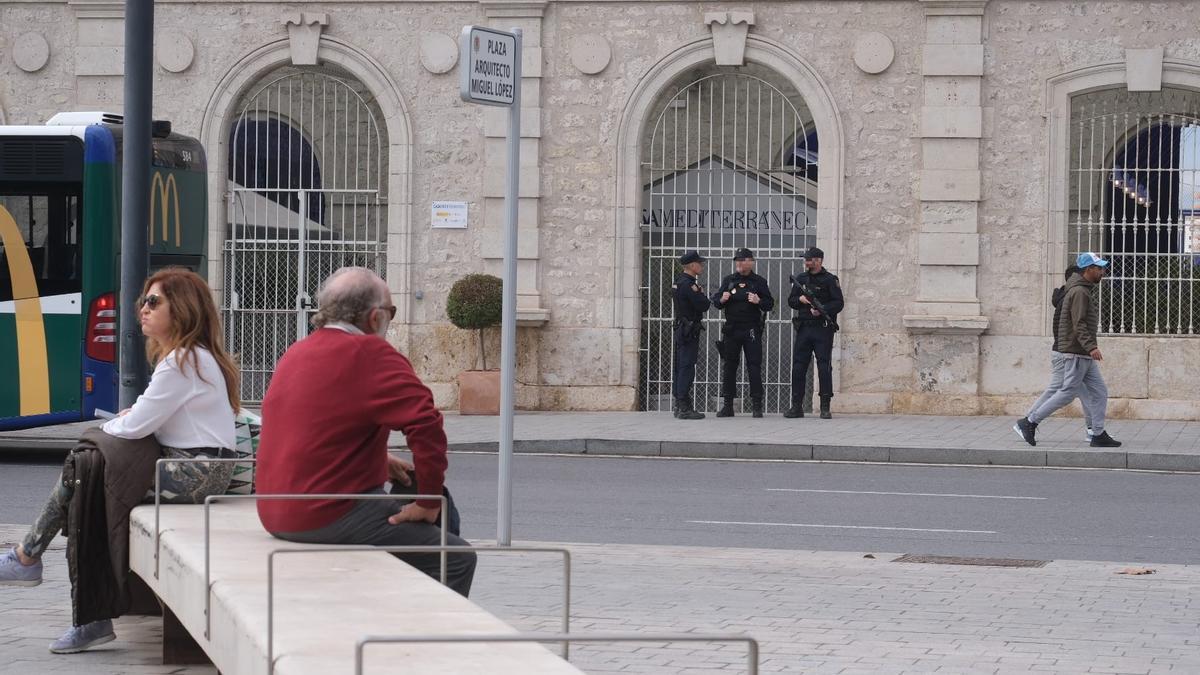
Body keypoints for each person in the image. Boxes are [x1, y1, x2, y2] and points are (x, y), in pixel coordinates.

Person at [0, 268, 240, 654]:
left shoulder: (182, 362)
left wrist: (116, 424)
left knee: (87, 474)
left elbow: (133, 428)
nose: (142, 309)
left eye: (153, 301)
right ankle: (45, 574)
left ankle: (35, 564)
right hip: (195, 469)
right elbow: (145, 422)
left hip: (192, 473)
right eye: (143, 300)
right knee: (87, 473)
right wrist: (126, 421)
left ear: (180, 308)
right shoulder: (191, 358)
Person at [254, 267, 477, 597]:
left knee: (418, 504)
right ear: (375, 318)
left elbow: (316, 427)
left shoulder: (297, 352)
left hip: (274, 509)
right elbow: (426, 423)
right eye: (392, 312)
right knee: (455, 556)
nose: (391, 320)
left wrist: (380, 457)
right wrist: (427, 500)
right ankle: (421, 636)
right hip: (325, 512)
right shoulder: (372, 353)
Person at [1015, 253, 1122, 448]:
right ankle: (1029, 422)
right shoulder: (1080, 292)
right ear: (1088, 269)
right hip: (1076, 351)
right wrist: (1091, 347)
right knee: (1067, 393)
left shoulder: (1081, 289)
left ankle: (1097, 434)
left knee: (1099, 391)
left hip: (1080, 353)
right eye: (1099, 268)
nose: (1102, 272)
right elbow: (1078, 323)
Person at [1025, 265, 1099, 442]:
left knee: (1080, 392)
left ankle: (1095, 430)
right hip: (1067, 353)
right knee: (1063, 392)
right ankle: (1028, 420)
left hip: (1067, 352)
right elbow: (1075, 327)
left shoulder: (1067, 296)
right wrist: (1089, 347)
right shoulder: (1073, 296)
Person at [711, 248, 774, 418]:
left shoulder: (758, 281)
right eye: (737, 260)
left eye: (742, 259)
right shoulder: (729, 280)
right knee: (729, 366)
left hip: (751, 329)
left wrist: (758, 300)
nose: (738, 263)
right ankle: (728, 405)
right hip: (732, 329)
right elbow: (716, 301)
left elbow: (769, 304)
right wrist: (721, 299)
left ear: (750, 262)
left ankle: (756, 405)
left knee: (754, 366)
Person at [785, 247, 843, 420]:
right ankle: (797, 406)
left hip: (822, 328)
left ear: (819, 260)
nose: (806, 262)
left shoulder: (830, 280)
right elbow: (791, 301)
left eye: (809, 259)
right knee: (798, 366)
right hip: (804, 328)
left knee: (824, 366)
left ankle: (825, 406)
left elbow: (839, 303)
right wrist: (800, 299)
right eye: (806, 259)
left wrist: (822, 309)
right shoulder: (800, 279)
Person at [671, 250, 711, 420]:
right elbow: (704, 305)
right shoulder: (690, 285)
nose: (701, 266)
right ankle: (684, 406)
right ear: (692, 265)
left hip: (681, 327)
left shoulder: (677, 282)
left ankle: (680, 404)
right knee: (687, 366)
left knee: (680, 366)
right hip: (689, 330)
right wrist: (701, 293)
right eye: (699, 263)